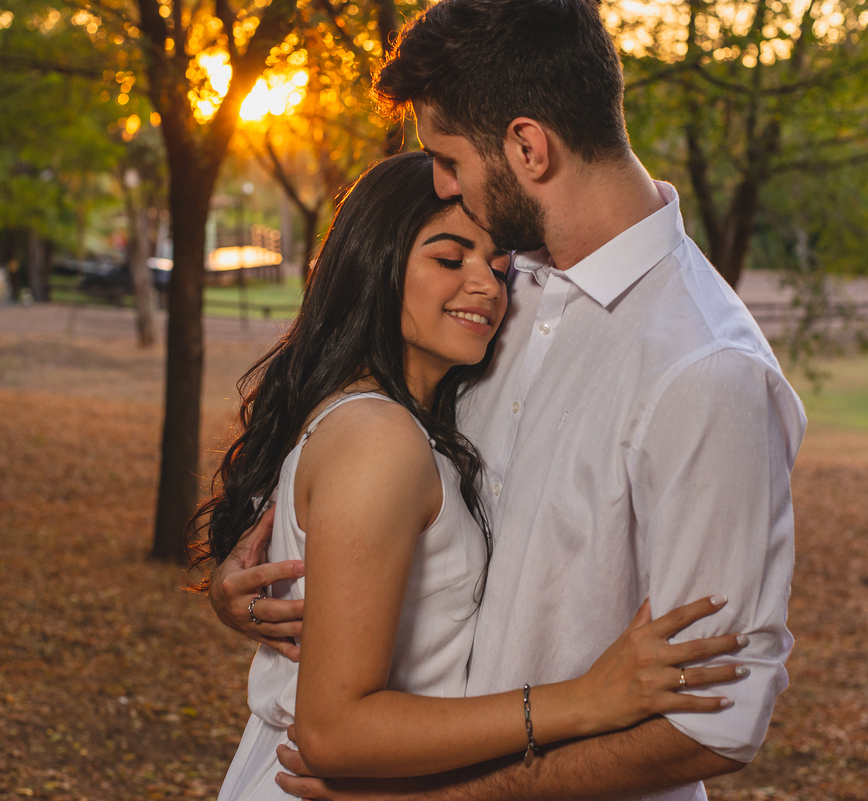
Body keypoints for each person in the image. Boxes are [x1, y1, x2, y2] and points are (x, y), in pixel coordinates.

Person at [212, 1, 807, 799]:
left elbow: (713, 721)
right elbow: (359, 460)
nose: (440, 183)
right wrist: (271, 576)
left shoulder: (704, 370)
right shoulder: (491, 294)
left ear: (528, 146)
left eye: (448, 158)